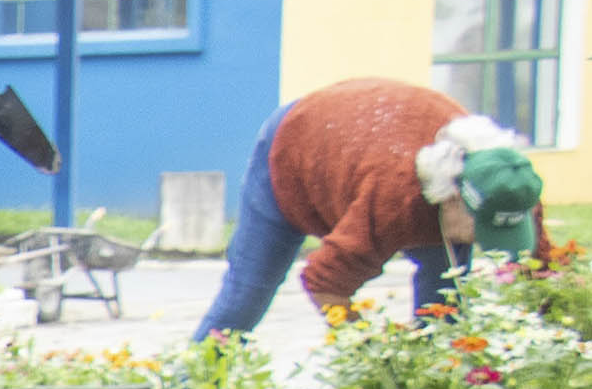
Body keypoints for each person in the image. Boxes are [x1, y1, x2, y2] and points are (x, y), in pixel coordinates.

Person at [192, 80, 543, 339]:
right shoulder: (392, 201)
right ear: (452, 198)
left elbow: (545, 272)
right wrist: (377, 357)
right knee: (248, 292)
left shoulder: (508, 182)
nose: (484, 243)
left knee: (447, 303)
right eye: (480, 230)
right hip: (296, 143)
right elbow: (324, 282)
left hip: (378, 138)